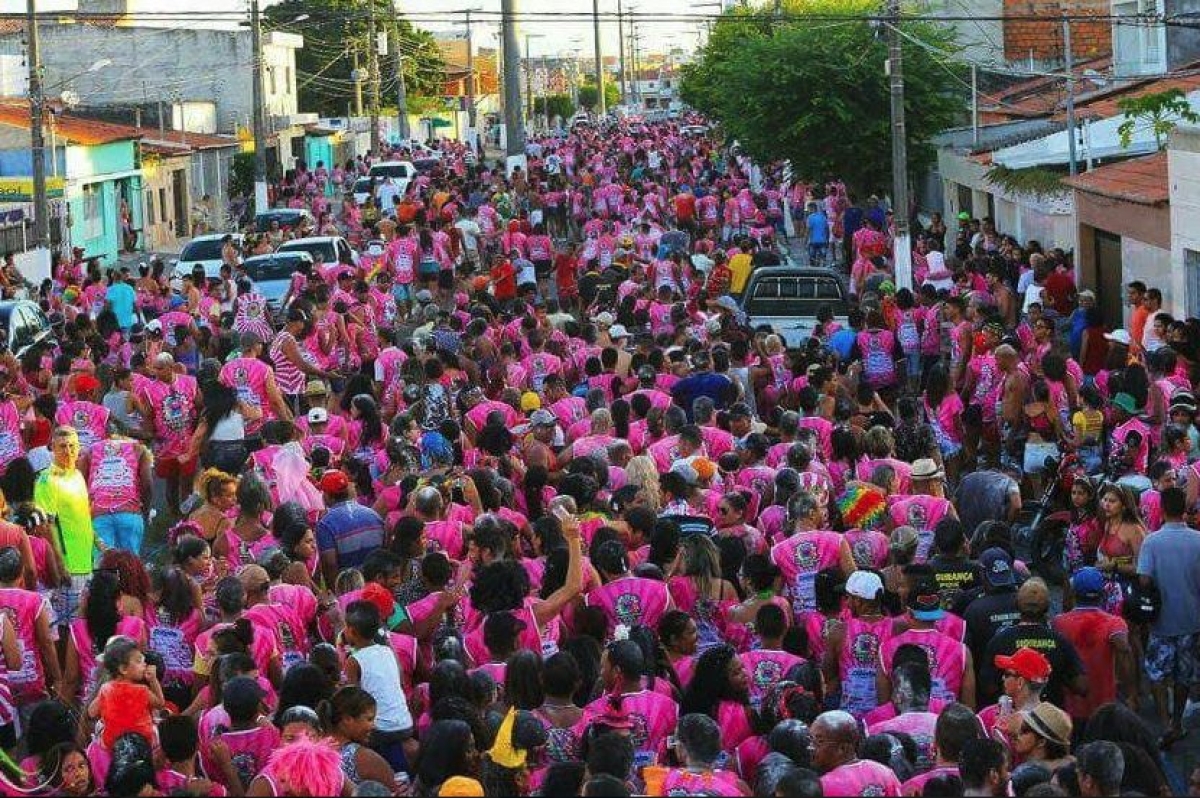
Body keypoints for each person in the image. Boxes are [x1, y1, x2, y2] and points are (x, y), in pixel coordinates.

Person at [1136, 485, 1200, 747]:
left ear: (1161, 509)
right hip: (1191, 620)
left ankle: (1165, 722)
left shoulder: (1152, 541)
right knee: (1184, 675)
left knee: (1157, 674)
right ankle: (1177, 722)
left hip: (1161, 622)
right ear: (1184, 509)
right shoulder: (1197, 539)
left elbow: (1143, 578)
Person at [34, 426, 96, 623]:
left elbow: (82, 517)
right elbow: (44, 527)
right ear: (52, 448)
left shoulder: (77, 476)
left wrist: (100, 544)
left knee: (81, 623)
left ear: (78, 448)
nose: (68, 451)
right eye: (62, 446)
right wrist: (60, 567)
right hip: (68, 569)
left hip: (86, 563)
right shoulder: (47, 480)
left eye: (72, 446)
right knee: (67, 626)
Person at [316, 469, 386, 587]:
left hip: (349, 589)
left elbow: (330, 564)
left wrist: (336, 592)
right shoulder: (373, 515)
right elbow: (383, 550)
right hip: (377, 586)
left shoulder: (325, 525)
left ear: (327, 496)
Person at [811, 709, 903, 796]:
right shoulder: (883, 772)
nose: (811, 747)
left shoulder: (824, 786)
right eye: (810, 740)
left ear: (842, 748)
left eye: (819, 742)